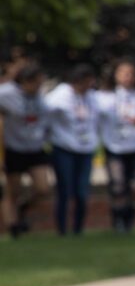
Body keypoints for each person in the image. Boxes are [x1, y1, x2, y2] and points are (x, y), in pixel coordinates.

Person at [97, 60, 135, 232]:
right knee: (118, 185)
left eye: (131, 73)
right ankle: (118, 220)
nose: (127, 77)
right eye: (123, 73)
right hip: (115, 147)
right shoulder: (105, 97)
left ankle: (130, 216)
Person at [43, 64, 100, 236]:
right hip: (64, 148)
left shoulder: (92, 97)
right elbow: (44, 111)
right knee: (65, 190)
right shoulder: (60, 95)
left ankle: (78, 229)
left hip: (86, 148)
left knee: (82, 192)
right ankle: (62, 229)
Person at [0, 61, 54, 238]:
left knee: (43, 188)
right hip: (14, 148)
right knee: (12, 192)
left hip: (35, 147)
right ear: (25, 81)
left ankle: (23, 208)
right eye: (37, 82)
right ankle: (13, 227)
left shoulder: (39, 96)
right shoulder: (6, 94)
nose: (39, 86)